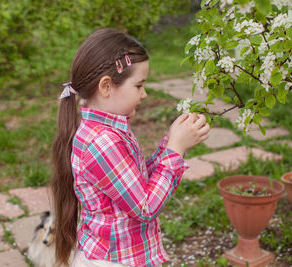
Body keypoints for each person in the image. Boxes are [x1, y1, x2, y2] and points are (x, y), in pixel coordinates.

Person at [50, 28, 210, 267]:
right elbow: (145, 207)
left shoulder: (108, 130)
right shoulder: (102, 142)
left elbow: (135, 182)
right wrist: (175, 149)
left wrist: (171, 142)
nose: (144, 94)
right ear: (106, 87)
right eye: (139, 85)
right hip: (113, 261)